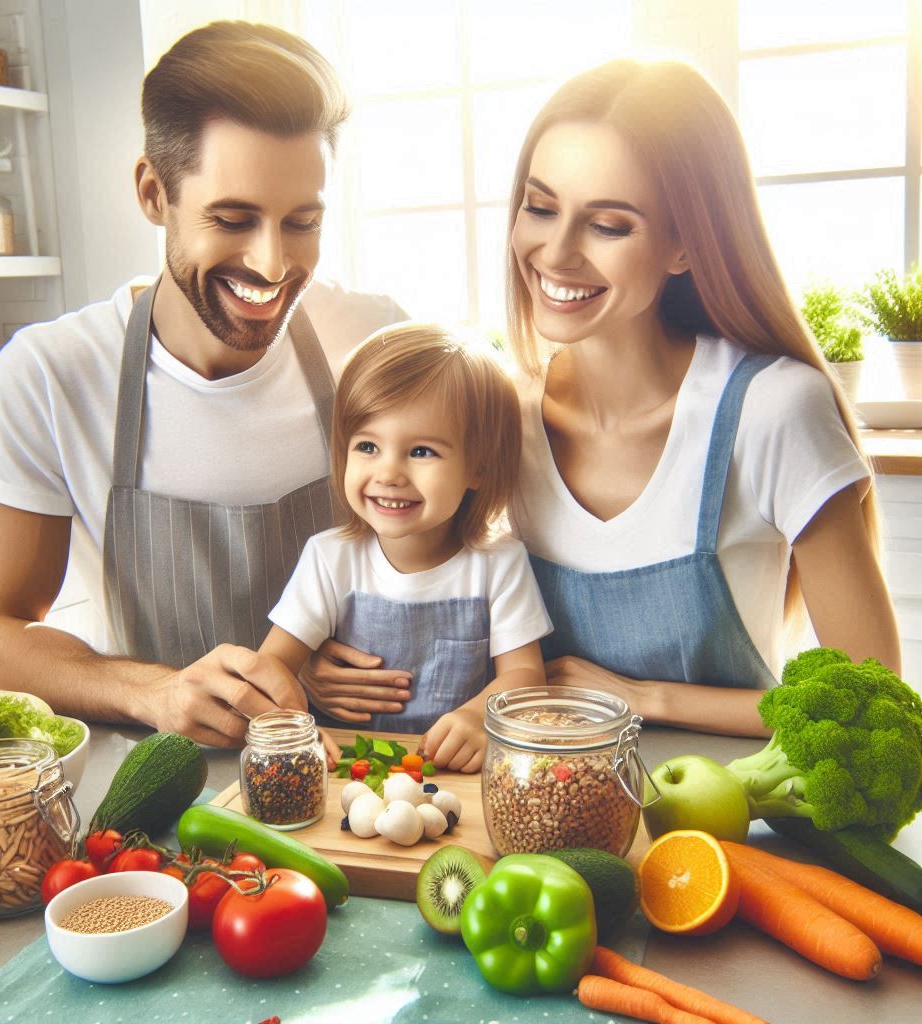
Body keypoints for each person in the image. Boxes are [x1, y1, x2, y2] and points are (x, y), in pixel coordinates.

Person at [300, 58, 901, 739]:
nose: (555, 253)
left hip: (719, 827)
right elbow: (440, 592)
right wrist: (326, 664)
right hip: (535, 814)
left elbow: (869, 705)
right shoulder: (502, 415)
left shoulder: (771, 411)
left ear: (683, 243)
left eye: (609, 225)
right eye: (541, 206)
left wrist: (642, 696)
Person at [0, 21, 405, 750]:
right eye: (232, 219)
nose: (271, 263)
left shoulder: (371, 341)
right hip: (166, 782)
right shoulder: (50, 375)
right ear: (153, 192)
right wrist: (154, 690)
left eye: (303, 222)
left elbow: (458, 548)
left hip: (365, 764)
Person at [261, 324, 552, 771]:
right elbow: (273, 665)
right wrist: (294, 729)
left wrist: (479, 716)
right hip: (343, 773)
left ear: (477, 468)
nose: (389, 472)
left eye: (421, 452)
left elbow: (525, 675)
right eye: (368, 446)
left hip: (452, 777)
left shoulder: (500, 563)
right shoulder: (329, 558)